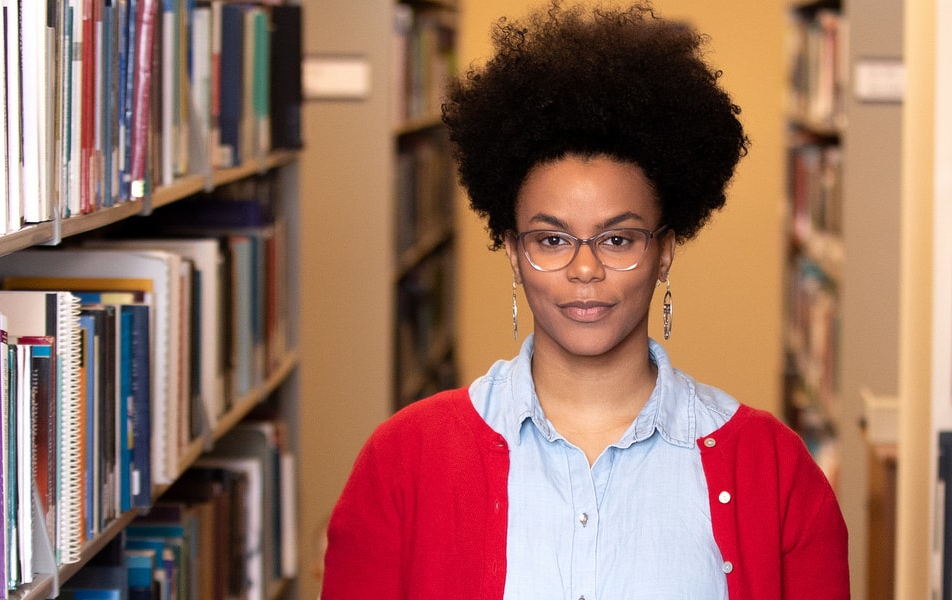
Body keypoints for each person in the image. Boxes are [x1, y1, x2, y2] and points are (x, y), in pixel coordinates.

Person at [321, 2, 849, 598]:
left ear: (665, 250)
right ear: (513, 253)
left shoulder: (774, 470)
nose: (585, 268)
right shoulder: (402, 462)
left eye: (618, 238)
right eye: (551, 239)